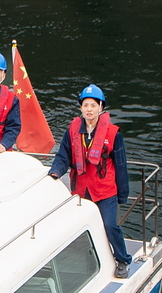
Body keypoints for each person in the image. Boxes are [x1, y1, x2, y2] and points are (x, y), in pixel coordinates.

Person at [47, 84, 134, 279]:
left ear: (101, 107)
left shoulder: (113, 133)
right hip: (81, 189)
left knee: (110, 225)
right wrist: (55, 172)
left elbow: (121, 165)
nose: (89, 109)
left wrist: (122, 195)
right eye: (85, 105)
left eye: (93, 105)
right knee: (81, 226)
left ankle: (123, 260)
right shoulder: (73, 130)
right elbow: (63, 156)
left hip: (105, 190)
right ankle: (91, 261)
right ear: (80, 108)